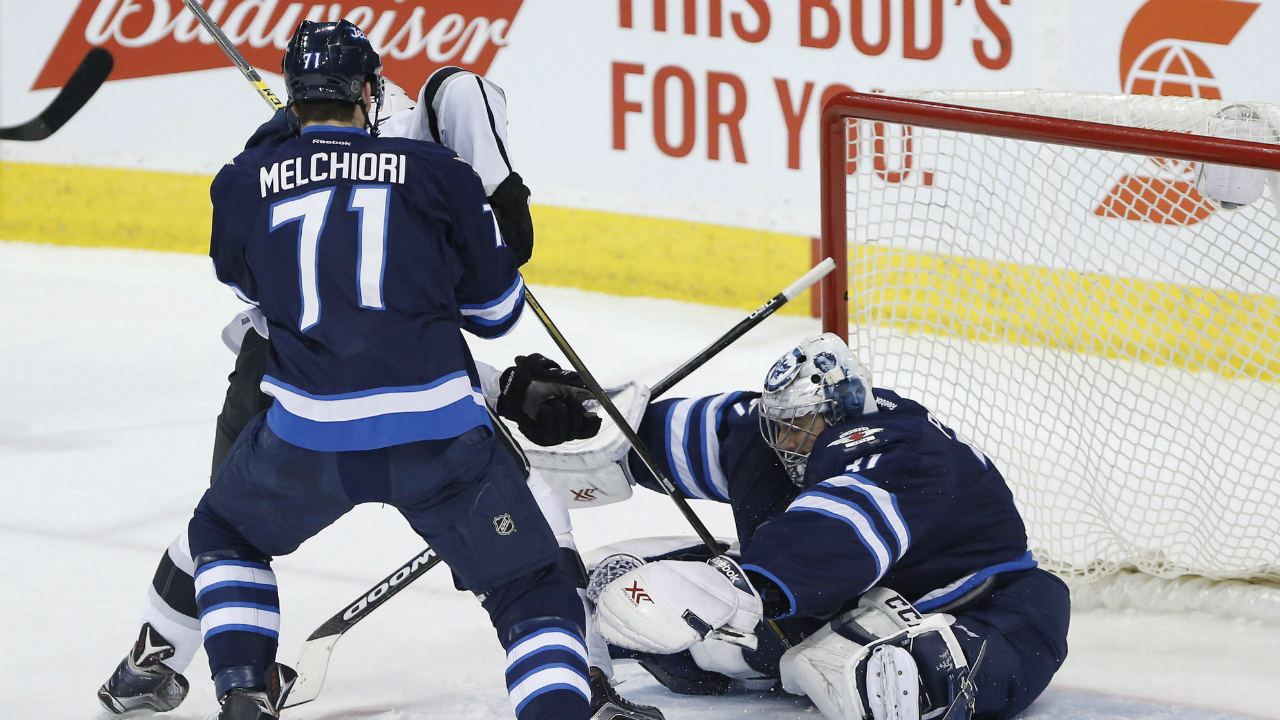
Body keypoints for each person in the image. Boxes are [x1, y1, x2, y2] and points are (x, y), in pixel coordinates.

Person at [95, 20, 646, 720]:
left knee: (225, 533)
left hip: (303, 427)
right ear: (370, 92)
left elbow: (258, 293)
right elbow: (494, 311)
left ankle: (237, 690)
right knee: (529, 581)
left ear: (292, 98)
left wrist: (270, 157)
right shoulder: (439, 174)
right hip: (439, 437)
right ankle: (570, 701)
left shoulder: (243, 181)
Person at [583, 333, 1071, 720]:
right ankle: (729, 631)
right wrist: (592, 423)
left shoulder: (900, 447)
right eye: (780, 425)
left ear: (843, 409)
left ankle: (767, 620)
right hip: (835, 593)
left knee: (889, 678)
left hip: (980, 599)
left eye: (799, 426)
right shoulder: (784, 435)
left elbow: (840, 526)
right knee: (725, 647)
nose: (786, 441)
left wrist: (744, 586)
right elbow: (715, 431)